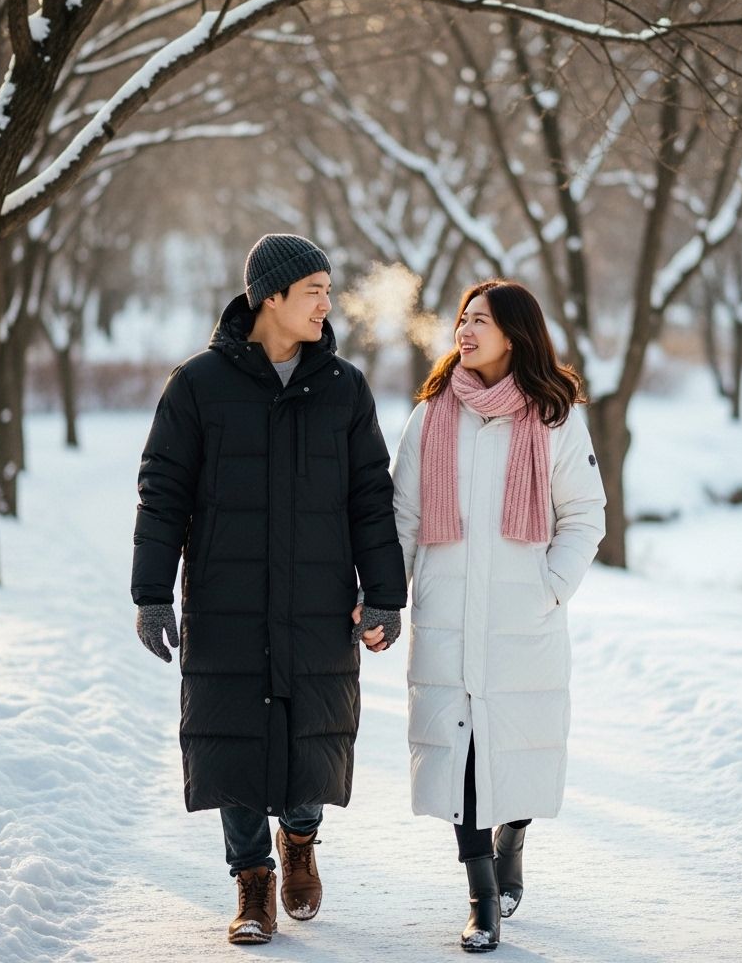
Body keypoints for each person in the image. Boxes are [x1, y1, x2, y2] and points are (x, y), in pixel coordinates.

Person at [131, 233, 405, 945]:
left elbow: (371, 498)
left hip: (317, 595)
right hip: (227, 596)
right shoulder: (197, 384)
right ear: (270, 297)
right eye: (314, 289)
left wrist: (384, 594)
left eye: (329, 290)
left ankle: (302, 841)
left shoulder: (343, 387)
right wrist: (152, 594)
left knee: (309, 723)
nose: (327, 303)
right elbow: (163, 494)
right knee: (237, 733)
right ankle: (252, 879)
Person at [391, 280, 605, 952]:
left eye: (479, 320)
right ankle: (482, 898)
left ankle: (512, 838)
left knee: (513, 751)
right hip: (447, 615)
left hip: (522, 622)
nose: (465, 329)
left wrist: (551, 586)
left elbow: (584, 516)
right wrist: (391, 595)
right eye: (461, 318)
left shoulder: (554, 417)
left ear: (514, 333)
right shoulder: (430, 416)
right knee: (464, 757)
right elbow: (400, 517)